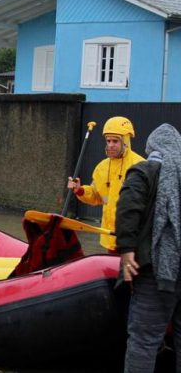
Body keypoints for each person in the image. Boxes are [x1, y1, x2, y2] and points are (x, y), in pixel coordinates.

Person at [116, 123, 181, 373]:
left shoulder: (144, 171)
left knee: (144, 341)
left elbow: (128, 208)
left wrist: (127, 249)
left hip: (157, 271)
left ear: (151, 147)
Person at [67, 116, 145, 252]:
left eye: (115, 141)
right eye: (108, 141)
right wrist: (80, 190)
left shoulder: (141, 166)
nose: (110, 145)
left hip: (134, 241)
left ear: (126, 141)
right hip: (109, 238)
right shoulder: (101, 168)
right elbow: (97, 196)